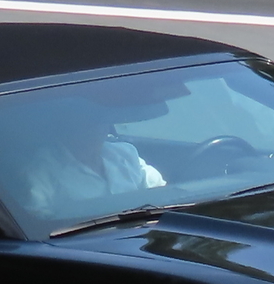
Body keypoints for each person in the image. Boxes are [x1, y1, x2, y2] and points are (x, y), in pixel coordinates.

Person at [13, 92, 166, 224]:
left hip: (138, 230)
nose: (98, 130)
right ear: (67, 127)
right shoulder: (40, 170)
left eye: (102, 122)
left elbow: (160, 192)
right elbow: (37, 221)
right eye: (89, 123)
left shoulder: (125, 152)